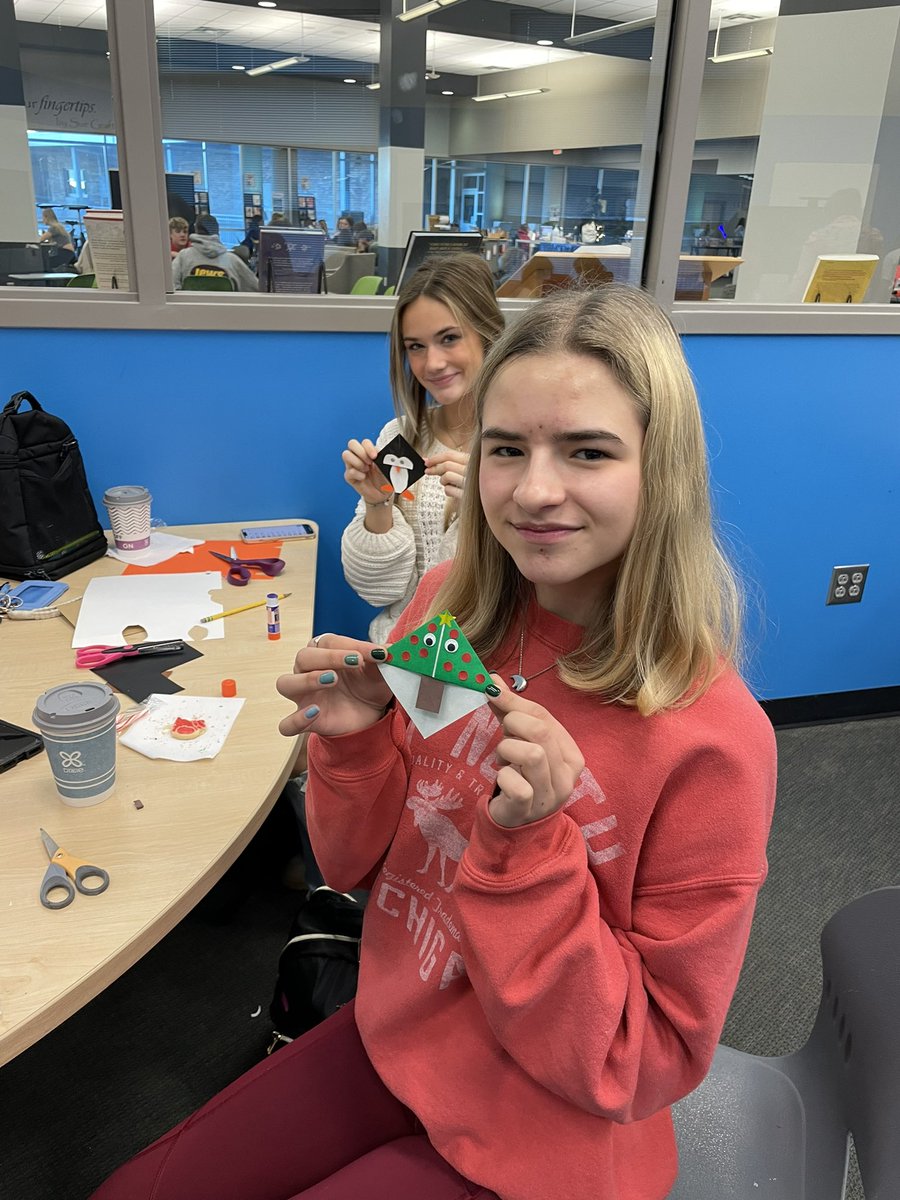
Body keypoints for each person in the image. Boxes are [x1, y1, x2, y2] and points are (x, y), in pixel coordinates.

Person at [90, 283, 776, 1200]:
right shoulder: (448, 611)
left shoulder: (715, 742)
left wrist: (531, 847)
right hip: (401, 1029)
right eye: (506, 449)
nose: (534, 490)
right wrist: (357, 744)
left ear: (663, 470)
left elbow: (641, 1061)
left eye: (588, 451)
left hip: (545, 1135)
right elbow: (359, 868)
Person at [341, 252, 504, 643]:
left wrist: (486, 509)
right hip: (399, 657)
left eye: (449, 338)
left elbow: (531, 588)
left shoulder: (517, 447)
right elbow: (379, 592)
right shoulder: (405, 440)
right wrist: (377, 502)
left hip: (480, 666)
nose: (432, 363)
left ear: (487, 333)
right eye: (416, 346)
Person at [171, 214, 258, 292]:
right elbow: (256, 289)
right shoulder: (232, 261)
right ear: (217, 232)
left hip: (189, 310)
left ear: (195, 230)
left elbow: (172, 288)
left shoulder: (183, 257)